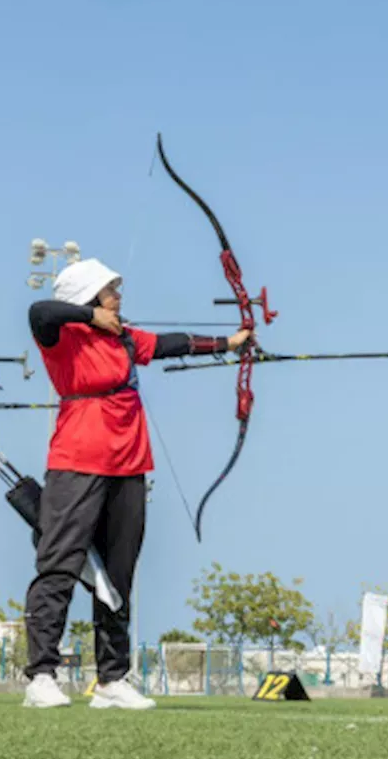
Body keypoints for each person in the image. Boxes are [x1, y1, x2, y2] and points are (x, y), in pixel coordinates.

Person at [23, 259, 253, 709]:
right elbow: (38, 311)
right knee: (60, 566)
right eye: (111, 290)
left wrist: (230, 342)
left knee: (118, 574)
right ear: (90, 298)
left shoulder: (123, 337)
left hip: (129, 465)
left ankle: (111, 680)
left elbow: (172, 344)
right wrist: (91, 317)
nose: (119, 296)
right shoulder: (63, 335)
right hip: (77, 462)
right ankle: (42, 675)